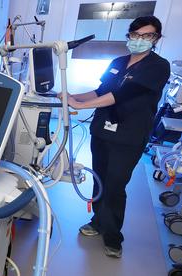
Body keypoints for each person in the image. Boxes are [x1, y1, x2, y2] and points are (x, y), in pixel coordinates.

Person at [64, 16, 170, 258]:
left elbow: (122, 94)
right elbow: (102, 90)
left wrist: (81, 106)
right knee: (100, 179)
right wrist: (72, 95)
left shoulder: (158, 66)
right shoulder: (118, 61)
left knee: (115, 183)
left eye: (147, 36)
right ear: (129, 36)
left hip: (129, 135)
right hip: (102, 130)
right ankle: (97, 221)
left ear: (156, 39)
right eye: (136, 35)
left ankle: (113, 236)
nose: (140, 40)